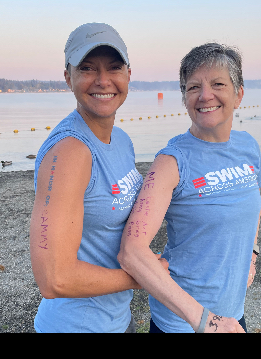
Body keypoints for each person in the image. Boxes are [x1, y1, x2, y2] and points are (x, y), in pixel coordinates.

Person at [30, 22, 168, 333]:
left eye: (114, 68)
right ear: (69, 77)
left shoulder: (120, 140)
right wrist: (143, 275)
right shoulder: (69, 153)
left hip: (117, 320)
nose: (103, 81)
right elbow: (54, 279)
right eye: (88, 68)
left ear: (128, 75)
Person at [118, 43, 261, 333]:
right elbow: (131, 252)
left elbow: (253, 200)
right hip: (184, 323)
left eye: (218, 84)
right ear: (184, 99)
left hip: (233, 316)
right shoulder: (171, 162)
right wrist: (205, 320)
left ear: (239, 93)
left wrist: (252, 252)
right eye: (193, 87)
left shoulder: (248, 146)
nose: (205, 95)